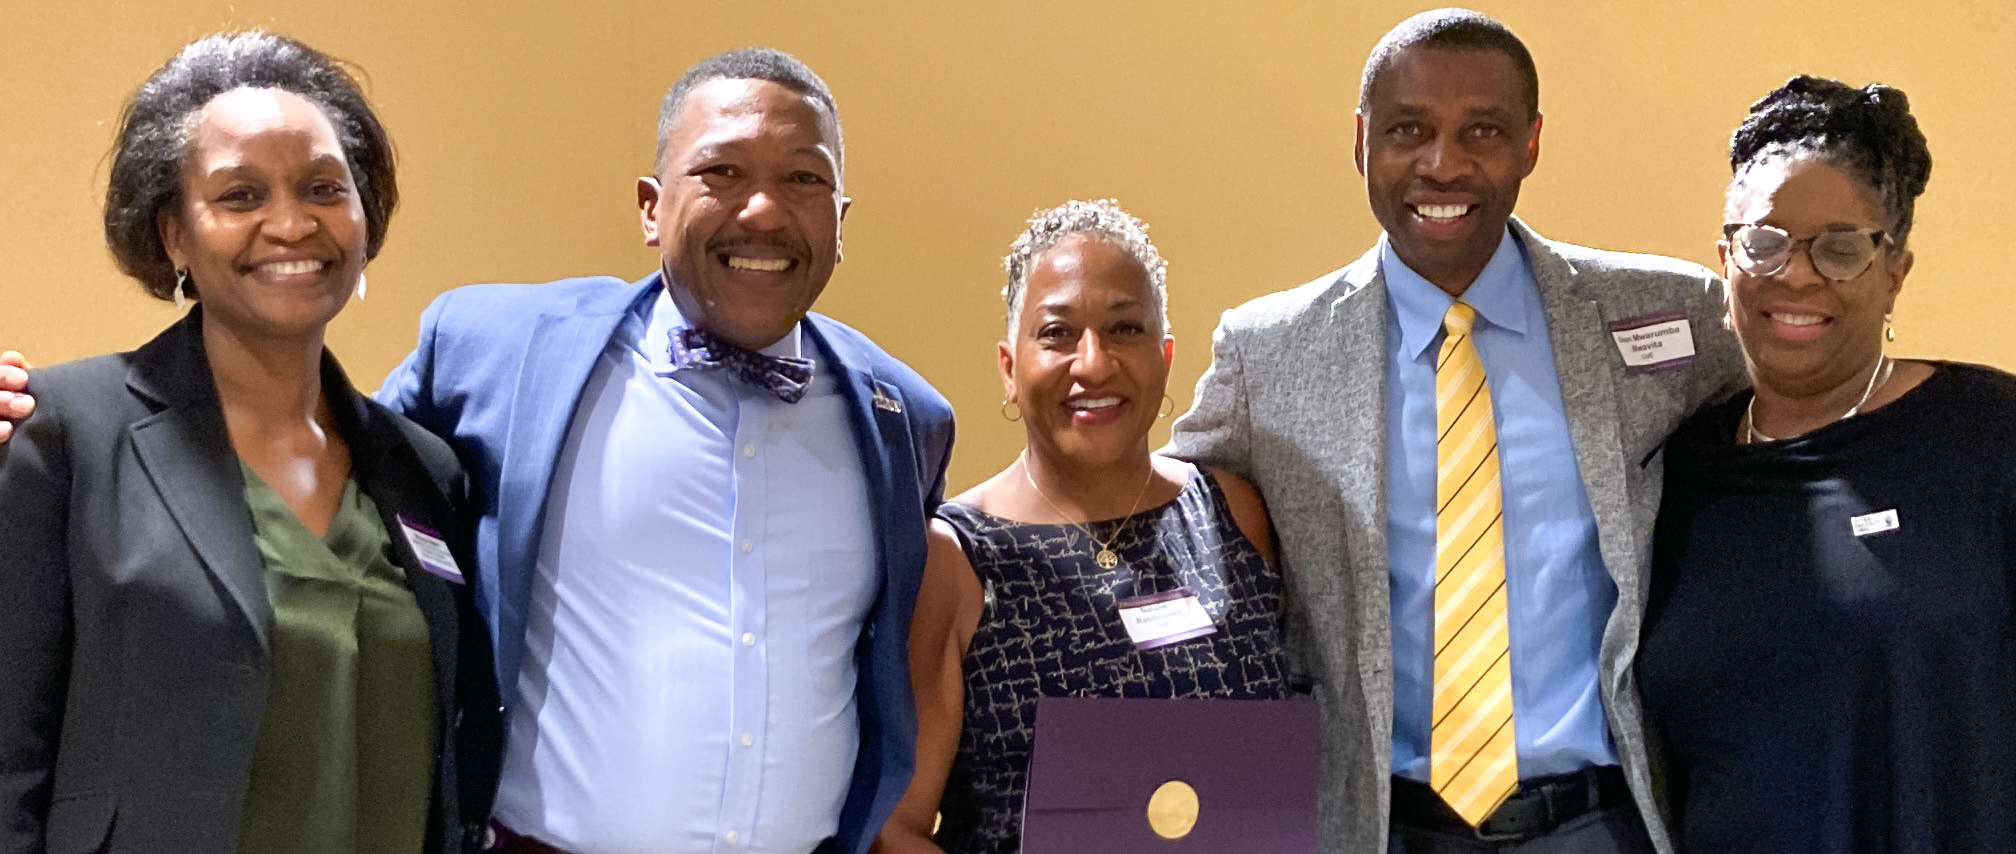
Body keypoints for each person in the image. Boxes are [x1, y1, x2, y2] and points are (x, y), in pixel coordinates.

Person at [0, 45, 950, 854]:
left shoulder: (905, 418)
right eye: (723, 173)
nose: (763, 212)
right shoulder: (492, 355)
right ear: (653, 206)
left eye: (803, 179)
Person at [1167, 9, 1745, 853]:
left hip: (1599, 820)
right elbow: (1172, 530)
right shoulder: (1269, 354)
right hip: (1378, 826)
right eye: (1409, 130)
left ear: (1532, 144)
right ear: (1362, 143)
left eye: (1484, 130)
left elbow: (1775, 463)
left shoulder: (1667, 318)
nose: (1444, 164)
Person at [0, 31, 499, 854]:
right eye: (240, 196)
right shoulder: (59, 434)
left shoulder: (424, 469)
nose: (291, 223)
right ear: (173, 237)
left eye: (323, 187)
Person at [1637, 77, 2016, 853]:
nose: (1798, 275)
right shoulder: (1681, 473)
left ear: (1895, 272)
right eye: (1765, 242)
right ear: (1725, 261)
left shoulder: (1987, 438)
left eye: (1841, 249)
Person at [873, 201, 1292, 854]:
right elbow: (895, 831)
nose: (1093, 364)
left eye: (1125, 329)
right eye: (1057, 334)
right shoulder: (955, 560)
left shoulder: (1232, 509)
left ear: (1165, 355)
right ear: (1009, 369)